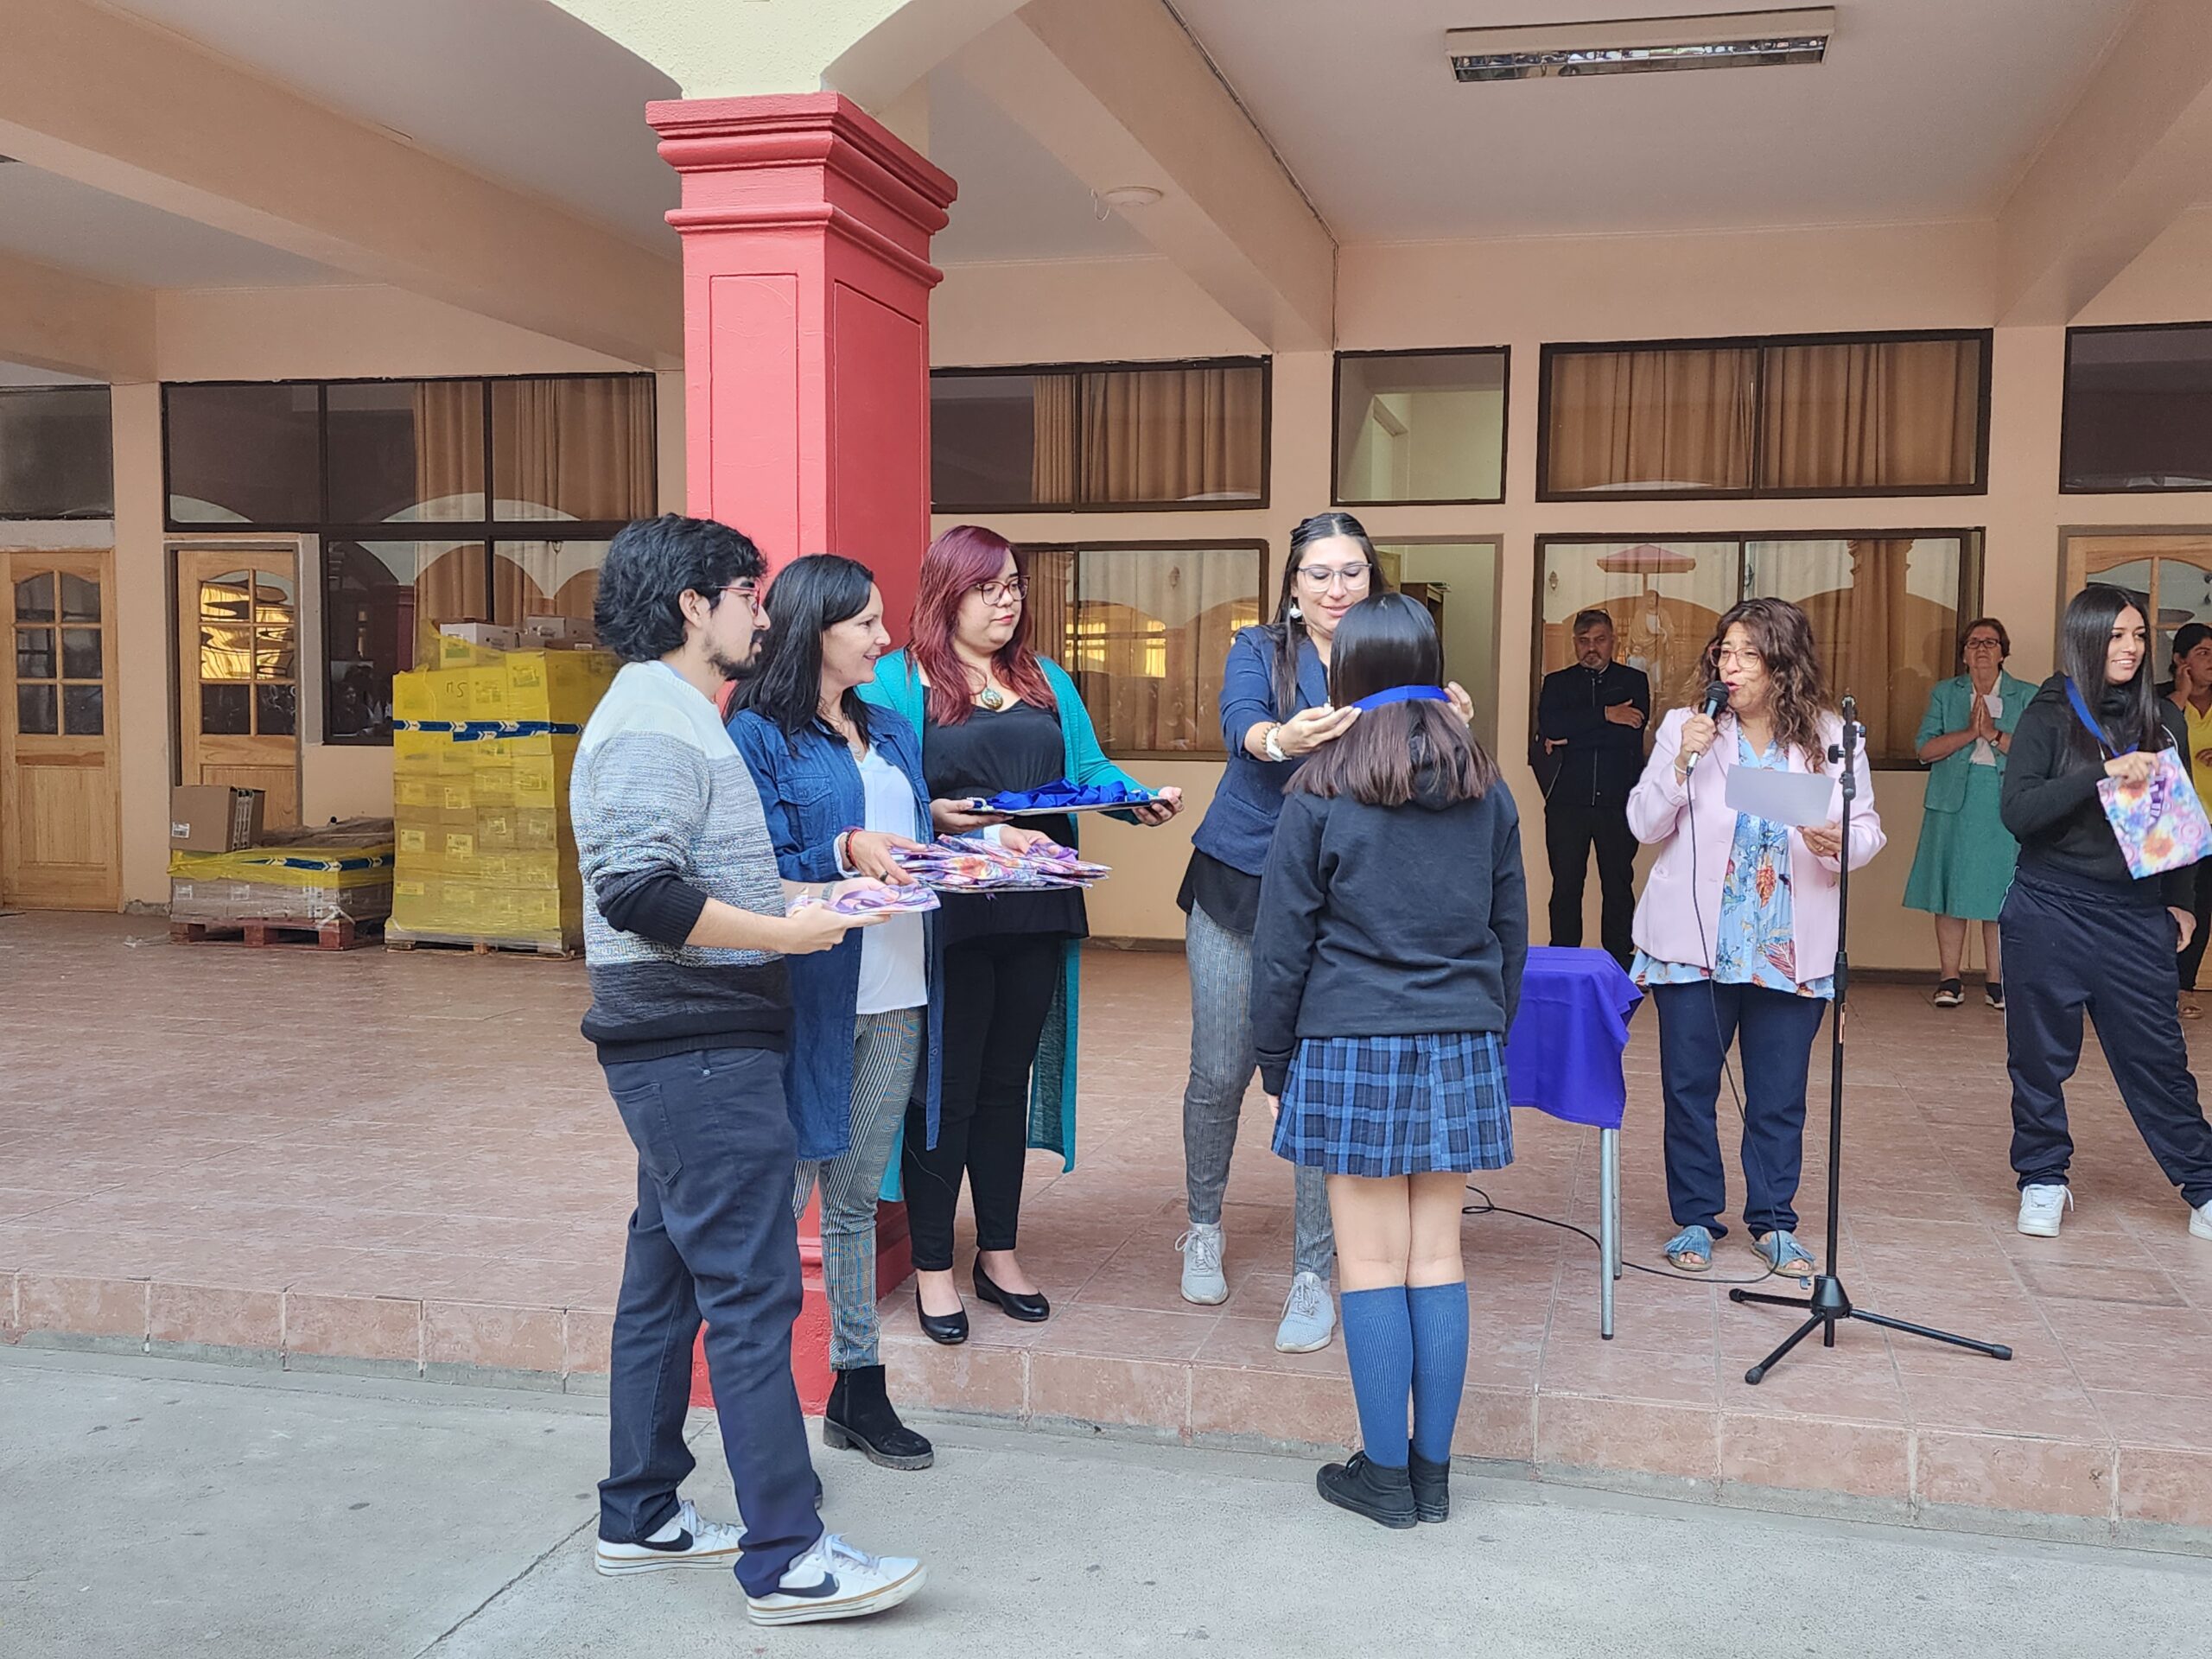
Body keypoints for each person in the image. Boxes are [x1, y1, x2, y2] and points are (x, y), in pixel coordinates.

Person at [573, 515, 923, 1625]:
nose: (763, 618)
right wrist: (784, 936)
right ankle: (787, 1557)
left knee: (667, 1285)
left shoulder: (677, 712)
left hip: (694, 1042)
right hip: (696, 1049)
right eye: (748, 596)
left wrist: (815, 894)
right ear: (695, 605)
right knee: (752, 1293)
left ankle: (641, 1514)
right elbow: (639, 892)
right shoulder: (650, 721)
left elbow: (707, 875)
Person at [860, 524, 1184, 1343]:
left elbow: (1088, 770)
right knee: (944, 1088)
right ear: (946, 594)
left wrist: (1134, 798)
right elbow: (885, 795)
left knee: (1006, 1082)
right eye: (988, 588)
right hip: (950, 913)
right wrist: (939, 817)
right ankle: (934, 1268)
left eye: (1014, 586)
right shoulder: (898, 681)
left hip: (1038, 902)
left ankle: (998, 1255)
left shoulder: (1043, 677)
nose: (1006, 602)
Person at [1251, 593, 1526, 1530]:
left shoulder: (1321, 789)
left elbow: (1281, 944)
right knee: (1437, 1256)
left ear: (1347, 677)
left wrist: (1275, 1060)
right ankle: (1432, 1476)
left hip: (1349, 1037)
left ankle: (1382, 1477)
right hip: (1460, 1035)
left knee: (1368, 1263)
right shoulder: (1487, 787)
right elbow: (1511, 930)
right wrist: (1488, 1030)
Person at [1179, 512, 1465, 1354]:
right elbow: (1240, 724)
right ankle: (1202, 1224)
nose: (1337, 589)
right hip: (1241, 883)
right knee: (1220, 1071)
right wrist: (1278, 738)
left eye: (1352, 572)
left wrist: (1450, 721)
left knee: (1315, 1081)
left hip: (1342, 896)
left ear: (1372, 579)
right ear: (1293, 584)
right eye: (1319, 573)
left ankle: (1313, 1270)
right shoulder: (1258, 648)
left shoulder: (1394, 652)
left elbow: (1428, 753)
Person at [730, 555, 938, 1471]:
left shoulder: (885, 725)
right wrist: (843, 847)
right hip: (809, 997)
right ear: (814, 628)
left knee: (856, 1199)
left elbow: (909, 834)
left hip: (897, 993)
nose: (884, 640)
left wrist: (983, 835)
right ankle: (761, 1404)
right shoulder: (757, 733)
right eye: (866, 625)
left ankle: (859, 1389)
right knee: (783, 1200)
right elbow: (753, 866)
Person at [1626, 597, 1885, 1277]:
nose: (1731, 666)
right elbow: (1644, 824)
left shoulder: (1832, 736)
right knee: (1689, 1089)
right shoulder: (1688, 726)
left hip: (1788, 947)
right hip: (1697, 946)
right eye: (1725, 652)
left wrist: (1839, 843)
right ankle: (1695, 1219)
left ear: (1783, 664)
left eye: (1749, 654)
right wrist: (1681, 764)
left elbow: (1867, 829)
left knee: (1779, 1095)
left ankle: (1773, 1222)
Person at [1999, 584, 2212, 1244]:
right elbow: (2019, 813)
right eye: (2117, 635)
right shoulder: (2048, 713)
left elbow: (2175, 819)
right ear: (2086, 639)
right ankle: (2042, 1178)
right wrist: (2103, 775)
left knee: (2159, 1060)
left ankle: (2205, 1184)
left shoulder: (2162, 717)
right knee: (2039, 1059)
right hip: (2050, 908)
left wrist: (2180, 901)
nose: (2131, 647)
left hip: (2135, 916)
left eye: (2139, 635)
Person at [1903, 617, 2033, 1010]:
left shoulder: (2027, 694)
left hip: (2003, 800)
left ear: (2003, 652)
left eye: (1990, 643)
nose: (1982, 649)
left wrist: (1993, 733)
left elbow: (2036, 753)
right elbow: (1924, 749)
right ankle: (1950, 979)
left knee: (2001, 890)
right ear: (1963, 654)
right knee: (1951, 890)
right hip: (1952, 801)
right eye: (1974, 643)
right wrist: (1970, 732)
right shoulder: (1946, 693)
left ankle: (1998, 981)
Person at [1535, 608, 1650, 968]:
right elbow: (1552, 727)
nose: (1591, 648)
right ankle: (1563, 962)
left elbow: (1627, 737)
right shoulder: (1557, 683)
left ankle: (1617, 965)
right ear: (1574, 643)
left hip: (1617, 801)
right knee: (1566, 885)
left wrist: (1573, 737)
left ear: (1613, 640)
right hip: (1567, 802)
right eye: (1584, 641)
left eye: (1599, 640)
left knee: (1618, 885)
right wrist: (1606, 715)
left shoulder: (1633, 682)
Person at [2161, 621, 2212, 1016]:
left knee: (2202, 908)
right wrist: (2179, 696)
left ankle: (2184, 986)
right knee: (2174, 903)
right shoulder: (2160, 701)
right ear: (2180, 660)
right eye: (2203, 653)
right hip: (2173, 825)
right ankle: (2157, 985)